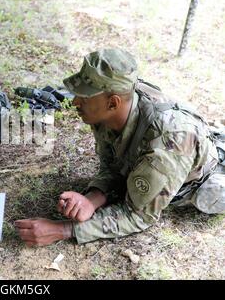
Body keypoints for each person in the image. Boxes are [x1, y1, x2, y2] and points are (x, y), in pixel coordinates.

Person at [16, 48, 225, 246]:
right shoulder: (107, 110)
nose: (75, 102)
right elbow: (115, 166)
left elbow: (138, 216)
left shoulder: (166, 145)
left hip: (202, 178)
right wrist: (92, 199)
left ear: (113, 103)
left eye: (85, 97)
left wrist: (62, 229)